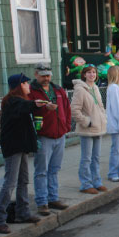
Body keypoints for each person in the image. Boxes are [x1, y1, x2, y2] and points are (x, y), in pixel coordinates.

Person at [0, 74, 45, 234]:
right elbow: (24, 106)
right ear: (18, 85)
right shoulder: (12, 101)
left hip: (21, 145)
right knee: (10, 182)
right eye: (25, 83)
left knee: (23, 180)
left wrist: (36, 105)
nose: (28, 85)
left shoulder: (20, 101)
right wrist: (35, 103)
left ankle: (23, 213)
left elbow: (26, 107)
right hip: (13, 146)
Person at [28, 63, 71, 216]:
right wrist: (42, 108)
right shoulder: (32, 92)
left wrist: (66, 127)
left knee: (54, 169)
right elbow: (28, 110)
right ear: (36, 75)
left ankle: (53, 198)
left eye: (48, 75)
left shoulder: (58, 90)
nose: (46, 78)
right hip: (43, 136)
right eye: (43, 75)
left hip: (60, 135)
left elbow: (67, 108)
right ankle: (42, 202)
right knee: (41, 171)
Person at [70, 65, 108, 194]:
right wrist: (86, 121)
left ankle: (96, 182)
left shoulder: (96, 88)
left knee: (96, 157)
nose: (92, 75)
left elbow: (101, 105)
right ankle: (85, 184)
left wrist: (103, 117)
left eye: (94, 72)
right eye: (89, 73)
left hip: (98, 127)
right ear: (84, 75)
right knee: (86, 158)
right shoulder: (80, 90)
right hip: (87, 129)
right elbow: (74, 110)